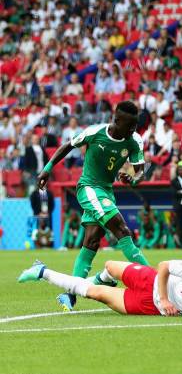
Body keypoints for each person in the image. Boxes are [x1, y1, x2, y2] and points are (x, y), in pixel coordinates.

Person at [37, 101, 150, 312]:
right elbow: (67, 146)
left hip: (106, 191)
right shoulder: (95, 132)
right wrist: (47, 168)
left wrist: (133, 179)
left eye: (135, 126)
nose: (133, 129)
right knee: (121, 229)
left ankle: (68, 296)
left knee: (92, 240)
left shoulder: (134, 140)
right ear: (117, 121)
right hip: (88, 187)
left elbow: (140, 172)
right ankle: (152, 281)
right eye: (130, 125)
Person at [18, 260, 182, 318]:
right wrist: (164, 298)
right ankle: (105, 278)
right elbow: (164, 266)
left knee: (94, 293)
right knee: (109, 266)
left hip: (145, 306)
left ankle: (42, 272)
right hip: (152, 281)